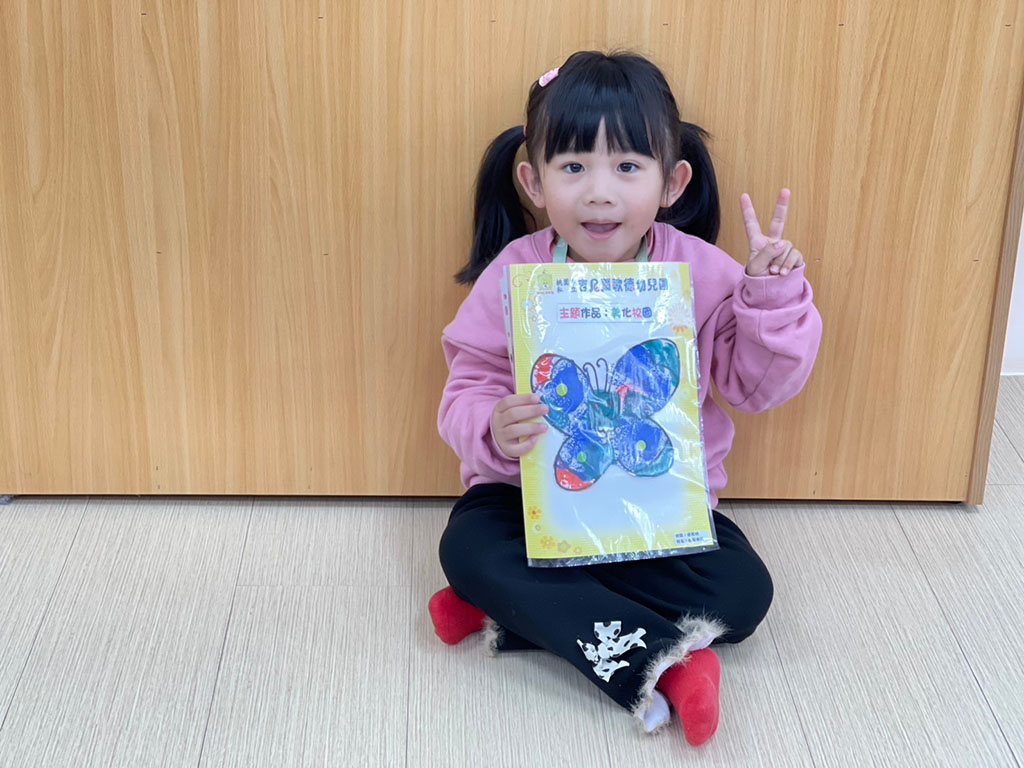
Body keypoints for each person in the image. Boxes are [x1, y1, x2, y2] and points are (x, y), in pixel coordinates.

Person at [429, 49, 823, 746]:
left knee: (743, 592)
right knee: (468, 546)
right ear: (533, 181)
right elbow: (468, 380)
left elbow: (752, 387)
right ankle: (666, 665)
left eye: (628, 167)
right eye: (573, 167)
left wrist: (769, 299)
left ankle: (511, 612)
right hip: (528, 505)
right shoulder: (515, 273)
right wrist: (491, 424)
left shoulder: (702, 271)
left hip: (658, 511)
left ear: (672, 182)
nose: (600, 193)